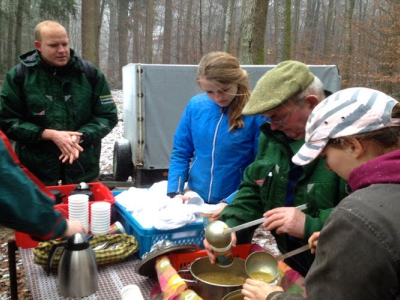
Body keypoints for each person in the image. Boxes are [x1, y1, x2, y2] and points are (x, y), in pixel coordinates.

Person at [242, 87, 400, 300]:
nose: (327, 167)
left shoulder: (359, 216)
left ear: (353, 146)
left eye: (325, 156)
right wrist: (344, 243)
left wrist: (274, 298)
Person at [204, 60, 347, 276]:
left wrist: (311, 224)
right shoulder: (273, 136)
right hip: (292, 262)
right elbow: (255, 186)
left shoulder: (351, 139)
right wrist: (230, 225)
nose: (272, 127)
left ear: (310, 103)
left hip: (338, 269)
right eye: (268, 119)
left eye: (278, 117)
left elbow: (372, 213)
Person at [0, 20, 118, 186]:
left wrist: (80, 137)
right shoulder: (19, 76)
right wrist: (48, 134)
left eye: (65, 44)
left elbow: (108, 116)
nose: (62, 50)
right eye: (54, 45)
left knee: (85, 212)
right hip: (36, 174)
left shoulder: (90, 74)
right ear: (38, 46)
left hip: (83, 170)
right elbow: (7, 121)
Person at [167, 51, 265, 204]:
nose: (218, 98)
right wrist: (176, 191)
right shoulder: (196, 106)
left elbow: (262, 165)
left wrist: (233, 202)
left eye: (225, 89)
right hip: (195, 197)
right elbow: (181, 151)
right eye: (209, 92)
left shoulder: (256, 113)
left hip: (238, 201)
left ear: (238, 82)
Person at [0, 130, 85, 240]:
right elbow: (8, 186)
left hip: (82, 164)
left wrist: (82, 135)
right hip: (36, 163)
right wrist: (56, 225)